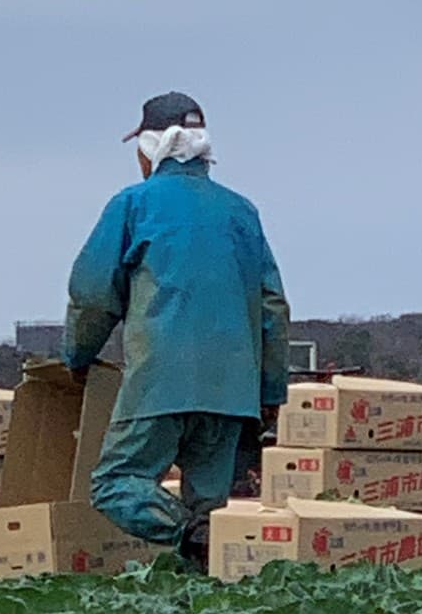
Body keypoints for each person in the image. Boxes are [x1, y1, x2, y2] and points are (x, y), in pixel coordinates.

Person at [61, 92, 289, 565]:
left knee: (114, 484)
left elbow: (93, 295)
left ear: (150, 147)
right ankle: (205, 575)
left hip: (159, 381)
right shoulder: (242, 212)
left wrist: (77, 358)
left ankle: (190, 535)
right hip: (232, 391)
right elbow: (272, 306)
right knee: (211, 509)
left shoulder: (133, 205)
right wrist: (270, 393)